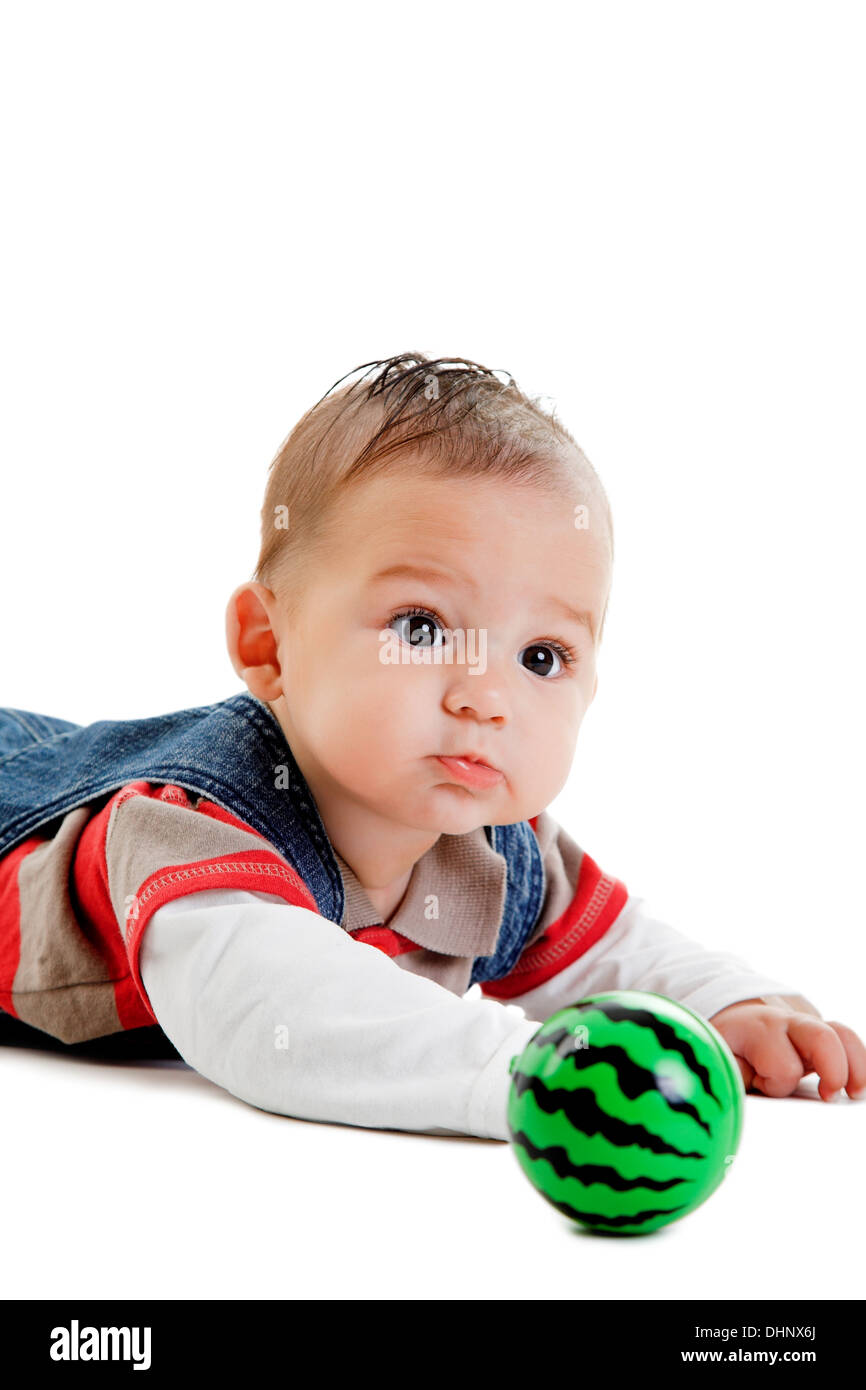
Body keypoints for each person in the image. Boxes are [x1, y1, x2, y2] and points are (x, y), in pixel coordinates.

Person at [1, 352, 863, 1138]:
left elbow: (611, 947)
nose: (484, 697)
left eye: (541, 657)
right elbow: (275, 1012)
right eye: (421, 628)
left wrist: (723, 1003)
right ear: (270, 643)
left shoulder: (497, 852)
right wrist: (527, 1071)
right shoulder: (193, 827)